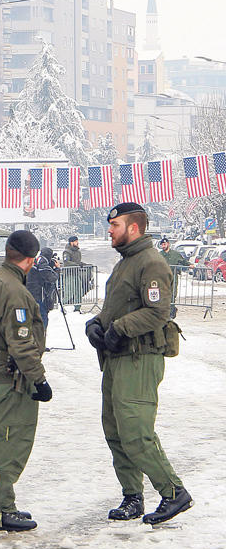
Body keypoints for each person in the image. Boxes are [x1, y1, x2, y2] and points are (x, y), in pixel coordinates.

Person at [85, 203, 192, 525]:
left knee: (135, 431)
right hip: (118, 358)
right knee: (115, 431)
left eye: (114, 224)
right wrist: (97, 323)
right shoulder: (125, 263)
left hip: (139, 358)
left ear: (134, 227)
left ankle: (173, 492)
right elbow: (117, 306)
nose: (109, 229)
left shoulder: (151, 263)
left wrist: (119, 329)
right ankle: (132, 496)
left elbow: (158, 312)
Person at [0, 230, 52, 532]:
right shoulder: (14, 290)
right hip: (9, 379)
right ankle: (2, 508)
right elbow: (20, 343)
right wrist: (39, 380)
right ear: (31, 260)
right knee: (10, 442)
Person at [26, 247, 59, 331]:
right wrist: (57, 269)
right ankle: (40, 340)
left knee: (33, 319)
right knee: (42, 319)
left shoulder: (36, 260)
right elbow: (51, 277)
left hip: (30, 293)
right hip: (38, 295)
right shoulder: (42, 262)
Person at [159, 237, 188, 319]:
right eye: (162, 245)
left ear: (168, 244)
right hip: (163, 278)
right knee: (163, 294)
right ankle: (165, 311)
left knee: (172, 294)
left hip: (173, 277)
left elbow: (183, 261)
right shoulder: (159, 255)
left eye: (164, 244)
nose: (163, 246)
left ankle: (171, 311)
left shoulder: (175, 254)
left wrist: (190, 265)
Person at [62, 235, 86, 311]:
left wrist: (83, 264)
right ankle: (62, 306)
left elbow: (77, 262)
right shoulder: (67, 251)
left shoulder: (78, 251)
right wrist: (77, 265)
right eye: (75, 241)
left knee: (79, 291)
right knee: (69, 292)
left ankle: (77, 308)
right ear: (71, 242)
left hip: (76, 273)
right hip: (69, 274)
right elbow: (66, 262)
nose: (77, 242)